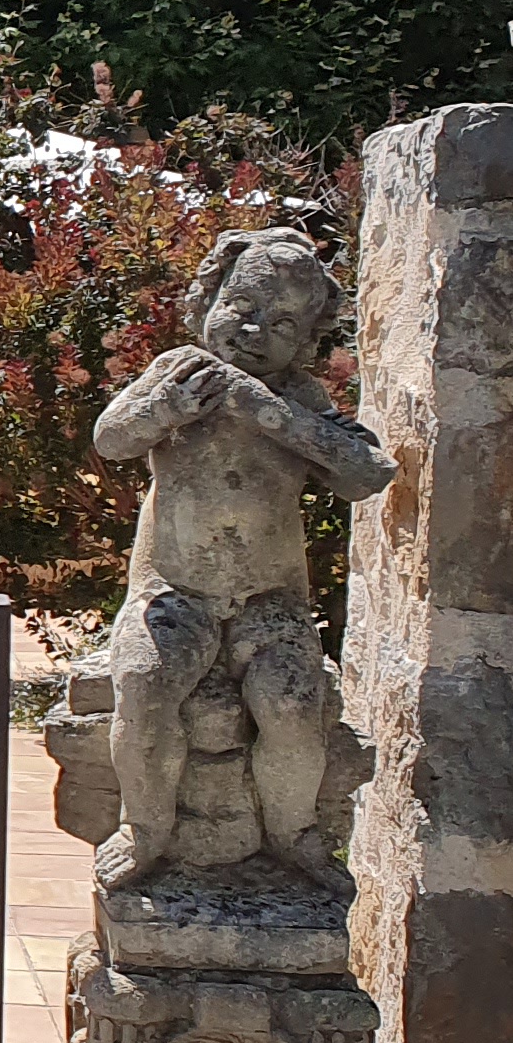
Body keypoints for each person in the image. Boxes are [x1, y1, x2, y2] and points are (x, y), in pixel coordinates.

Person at [89, 228, 393, 890]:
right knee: (144, 687)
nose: (254, 330)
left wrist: (271, 414)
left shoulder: (301, 397)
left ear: (305, 341)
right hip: (175, 593)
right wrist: (163, 409)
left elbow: (367, 472)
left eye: (282, 323)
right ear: (210, 301)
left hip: (268, 602)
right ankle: (145, 828)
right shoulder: (182, 370)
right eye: (242, 306)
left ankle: (293, 831)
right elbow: (111, 438)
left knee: (292, 705)